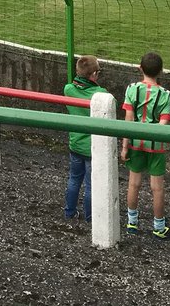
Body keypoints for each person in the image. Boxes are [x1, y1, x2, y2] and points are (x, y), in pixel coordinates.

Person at [120, 52, 170, 240]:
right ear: (160, 71)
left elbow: (128, 119)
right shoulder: (165, 95)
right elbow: (164, 123)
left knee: (133, 183)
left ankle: (132, 222)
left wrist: (125, 146)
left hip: (135, 143)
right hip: (156, 145)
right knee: (157, 188)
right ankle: (159, 227)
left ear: (140, 68)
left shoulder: (132, 89)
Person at [63, 55, 108, 221]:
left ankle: (69, 212)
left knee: (74, 179)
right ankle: (91, 217)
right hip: (91, 148)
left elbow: (73, 87)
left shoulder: (68, 89)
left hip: (75, 145)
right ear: (94, 74)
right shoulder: (100, 94)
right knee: (91, 184)